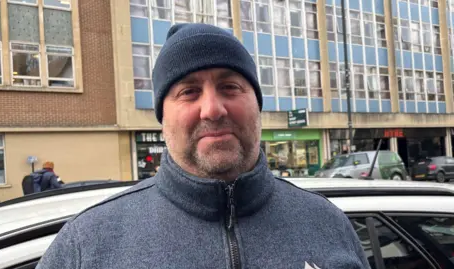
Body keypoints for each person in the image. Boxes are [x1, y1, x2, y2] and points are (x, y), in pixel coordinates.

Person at [37, 23, 370, 269]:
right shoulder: (87, 244)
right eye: (188, 92)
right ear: (162, 116)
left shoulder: (327, 224)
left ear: (257, 104)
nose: (212, 109)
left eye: (229, 86)